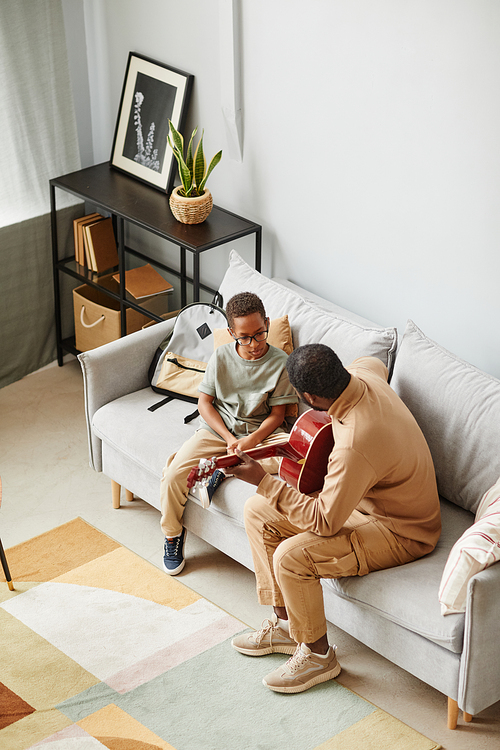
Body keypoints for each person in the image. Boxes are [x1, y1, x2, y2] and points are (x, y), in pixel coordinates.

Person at [230, 344, 441, 694]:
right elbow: (375, 360)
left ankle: (318, 655)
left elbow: (324, 521)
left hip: (400, 530)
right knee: (258, 511)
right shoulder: (363, 376)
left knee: (291, 556)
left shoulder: (356, 442)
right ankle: (286, 625)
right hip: (363, 501)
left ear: (310, 396)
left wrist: (264, 480)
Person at [160, 292, 298, 575]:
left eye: (260, 334)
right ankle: (173, 535)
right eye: (244, 337)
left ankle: (223, 468)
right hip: (217, 431)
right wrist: (231, 440)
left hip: (261, 432)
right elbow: (204, 404)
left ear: (267, 324)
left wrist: (252, 440)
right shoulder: (221, 356)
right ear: (232, 333)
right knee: (175, 475)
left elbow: (278, 415)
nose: (254, 344)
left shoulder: (280, 362)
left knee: (298, 457)